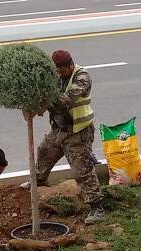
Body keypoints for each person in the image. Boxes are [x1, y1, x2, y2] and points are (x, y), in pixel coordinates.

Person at [21, 50, 105, 225]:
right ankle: (38, 181)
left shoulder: (82, 77)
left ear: (70, 65)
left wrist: (40, 102)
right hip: (59, 129)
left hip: (78, 131)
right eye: (56, 70)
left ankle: (97, 207)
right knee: (44, 151)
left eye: (61, 70)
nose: (59, 73)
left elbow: (65, 99)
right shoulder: (55, 76)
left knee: (81, 169)